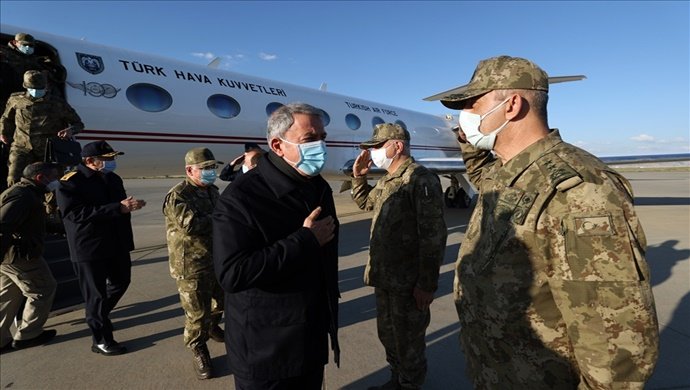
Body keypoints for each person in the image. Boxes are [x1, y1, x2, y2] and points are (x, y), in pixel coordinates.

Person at [426, 55, 659, 388]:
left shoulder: (579, 189)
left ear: (512, 105)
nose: (466, 118)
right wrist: (470, 144)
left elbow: (615, 342)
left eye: (473, 106)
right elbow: (482, 176)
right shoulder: (508, 173)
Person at [213, 102, 340, 389]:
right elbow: (232, 273)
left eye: (323, 137)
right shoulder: (241, 198)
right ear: (277, 146)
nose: (320, 146)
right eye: (310, 139)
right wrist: (304, 241)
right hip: (266, 350)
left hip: (309, 336)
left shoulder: (316, 185)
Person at [350, 123, 447, 390]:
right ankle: (397, 379)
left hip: (408, 282)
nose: (373, 152)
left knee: (409, 342)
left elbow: (433, 236)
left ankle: (410, 385)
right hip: (385, 278)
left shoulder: (420, 179)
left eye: (377, 146)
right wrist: (359, 177)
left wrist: (427, 284)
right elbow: (366, 203)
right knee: (389, 336)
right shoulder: (387, 180)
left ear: (397, 145)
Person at [56, 140, 146, 356]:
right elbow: (74, 214)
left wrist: (129, 206)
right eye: (106, 159)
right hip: (89, 247)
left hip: (116, 242)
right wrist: (118, 208)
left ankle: (97, 316)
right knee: (95, 295)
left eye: (112, 158)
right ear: (89, 161)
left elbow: (118, 207)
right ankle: (101, 339)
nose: (111, 162)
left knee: (121, 282)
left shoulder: (112, 178)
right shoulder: (70, 182)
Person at [163, 147, 226, 380]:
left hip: (215, 258)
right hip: (191, 265)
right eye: (205, 168)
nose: (211, 172)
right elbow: (190, 225)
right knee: (197, 313)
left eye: (213, 167)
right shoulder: (179, 195)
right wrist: (223, 217)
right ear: (190, 170)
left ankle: (211, 327)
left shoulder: (212, 191)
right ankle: (198, 347)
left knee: (221, 301)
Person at [0, 162, 61, 352]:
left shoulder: (25, 192)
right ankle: (28, 334)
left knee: (9, 295)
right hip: (20, 256)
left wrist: (61, 228)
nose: (56, 181)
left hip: (9, 257)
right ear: (40, 178)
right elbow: (2, 226)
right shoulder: (23, 197)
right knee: (43, 289)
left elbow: (34, 222)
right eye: (53, 177)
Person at [0, 70, 84, 188]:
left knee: (51, 184)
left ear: (46, 87)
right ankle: (17, 204)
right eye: (32, 88)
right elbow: (6, 118)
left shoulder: (57, 103)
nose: (36, 91)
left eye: (40, 89)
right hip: (22, 147)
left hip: (47, 151)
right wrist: (3, 132)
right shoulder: (16, 99)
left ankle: (49, 206)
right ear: (26, 87)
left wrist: (70, 130)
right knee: (14, 179)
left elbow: (78, 123)